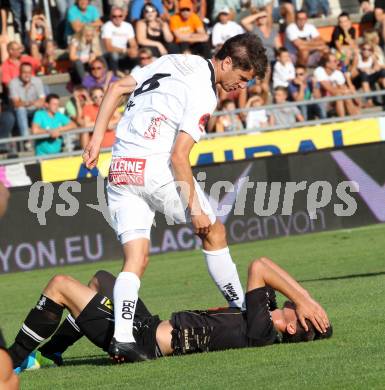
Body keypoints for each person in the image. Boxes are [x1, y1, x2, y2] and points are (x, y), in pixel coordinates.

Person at [82, 33, 268, 362]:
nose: (242, 86)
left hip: (121, 167)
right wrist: (195, 208)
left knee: (135, 259)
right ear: (226, 62)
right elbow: (179, 158)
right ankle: (241, 307)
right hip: (155, 170)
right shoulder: (205, 93)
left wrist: (96, 139)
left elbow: (115, 89)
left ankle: (122, 340)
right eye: (241, 78)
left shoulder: (173, 60)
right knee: (213, 230)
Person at [9, 256, 331, 371]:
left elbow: (259, 265)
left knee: (60, 285)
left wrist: (302, 296)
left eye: (307, 315)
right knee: (104, 280)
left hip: (142, 341)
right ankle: (53, 351)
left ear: (292, 329)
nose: (303, 307)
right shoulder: (266, 311)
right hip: (149, 323)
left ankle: (14, 359)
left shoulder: (263, 333)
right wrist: (304, 300)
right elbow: (265, 269)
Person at [313, 53, 360, 117]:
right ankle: (343, 120)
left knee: (346, 96)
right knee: (339, 95)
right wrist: (346, 91)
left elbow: (344, 88)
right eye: (335, 61)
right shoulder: (319, 71)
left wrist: (347, 89)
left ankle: (355, 120)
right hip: (320, 100)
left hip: (332, 99)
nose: (338, 62)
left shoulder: (337, 73)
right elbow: (331, 90)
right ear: (327, 64)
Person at [9, 62, 45, 138]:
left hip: (34, 108)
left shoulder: (37, 81)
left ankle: (44, 135)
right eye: (24, 72)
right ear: (20, 72)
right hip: (19, 111)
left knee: (42, 108)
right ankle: (26, 139)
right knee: (21, 109)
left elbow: (42, 99)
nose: (27, 75)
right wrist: (29, 103)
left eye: (29, 72)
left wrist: (37, 103)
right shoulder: (13, 83)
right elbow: (16, 103)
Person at [102, 6, 139, 74]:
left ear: (123, 16)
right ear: (110, 17)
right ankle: (115, 76)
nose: (117, 18)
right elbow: (108, 47)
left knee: (136, 53)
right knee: (114, 55)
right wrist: (126, 50)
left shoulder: (128, 26)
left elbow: (133, 43)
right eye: (114, 16)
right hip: (109, 53)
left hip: (123, 52)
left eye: (120, 16)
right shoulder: (107, 26)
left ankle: (133, 75)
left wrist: (132, 50)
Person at [350, 43, 385, 107]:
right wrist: (360, 70)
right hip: (358, 80)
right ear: (361, 50)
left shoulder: (373, 57)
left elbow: (377, 67)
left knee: (383, 72)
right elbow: (352, 73)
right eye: (364, 49)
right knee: (364, 74)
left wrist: (371, 70)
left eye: (369, 50)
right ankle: (369, 101)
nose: (366, 51)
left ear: (371, 51)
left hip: (368, 77)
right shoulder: (357, 57)